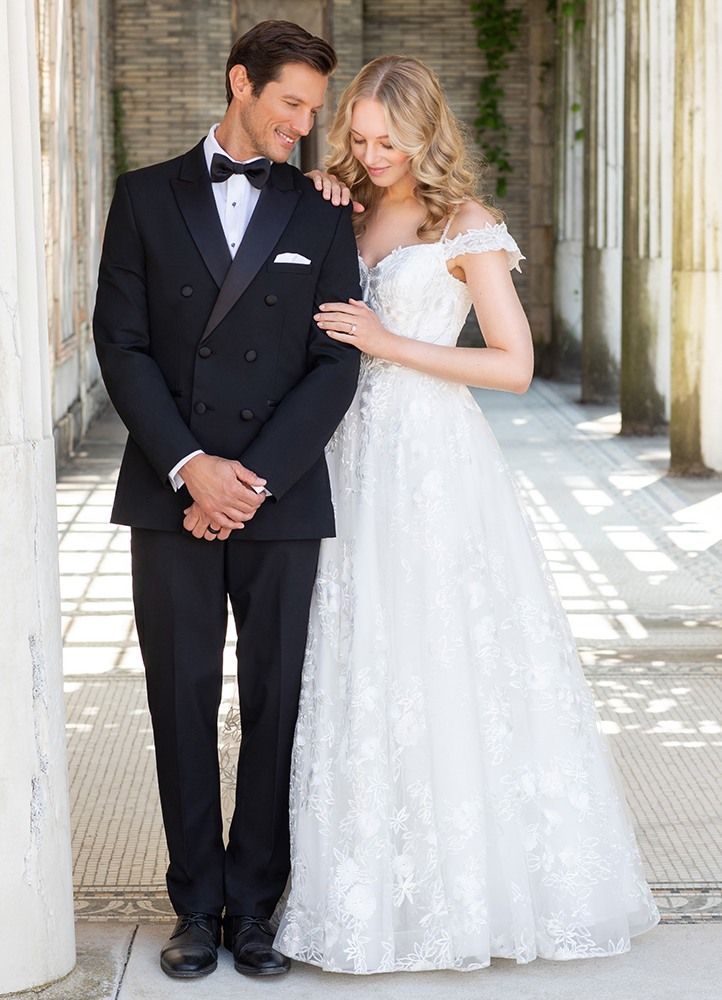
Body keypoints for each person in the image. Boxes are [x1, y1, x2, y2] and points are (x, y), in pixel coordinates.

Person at [270, 55, 661, 973]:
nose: (370, 155)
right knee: (356, 659)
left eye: (387, 142)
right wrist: (324, 191)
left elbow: (514, 364)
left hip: (428, 458)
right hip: (343, 453)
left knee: (440, 657)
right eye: (357, 139)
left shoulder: (466, 225)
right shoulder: (341, 206)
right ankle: (366, 882)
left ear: (425, 134)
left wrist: (390, 341)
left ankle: (470, 891)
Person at [93, 20, 361, 981]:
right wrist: (189, 465)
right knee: (181, 699)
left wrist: (249, 482)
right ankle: (195, 907)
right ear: (240, 82)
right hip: (172, 490)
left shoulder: (327, 210)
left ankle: (258, 906)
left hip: (278, 497)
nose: (303, 127)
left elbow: (337, 362)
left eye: (314, 111)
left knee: (278, 702)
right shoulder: (143, 197)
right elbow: (118, 344)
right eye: (290, 103)